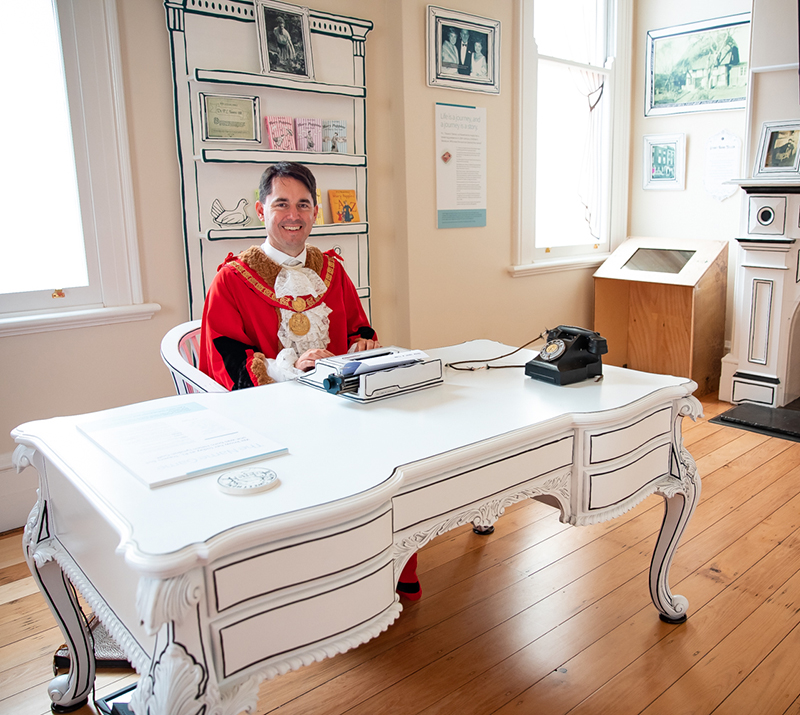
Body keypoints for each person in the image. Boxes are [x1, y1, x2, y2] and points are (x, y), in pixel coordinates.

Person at [199, 162, 421, 600]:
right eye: (281, 203)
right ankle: (309, 585)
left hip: (342, 405)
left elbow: (361, 329)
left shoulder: (333, 271)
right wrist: (289, 367)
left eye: (303, 204)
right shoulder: (231, 278)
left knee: (396, 456)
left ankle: (382, 568)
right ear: (262, 209)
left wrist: (357, 350)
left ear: (316, 212)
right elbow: (222, 357)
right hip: (271, 413)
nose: (292, 215)